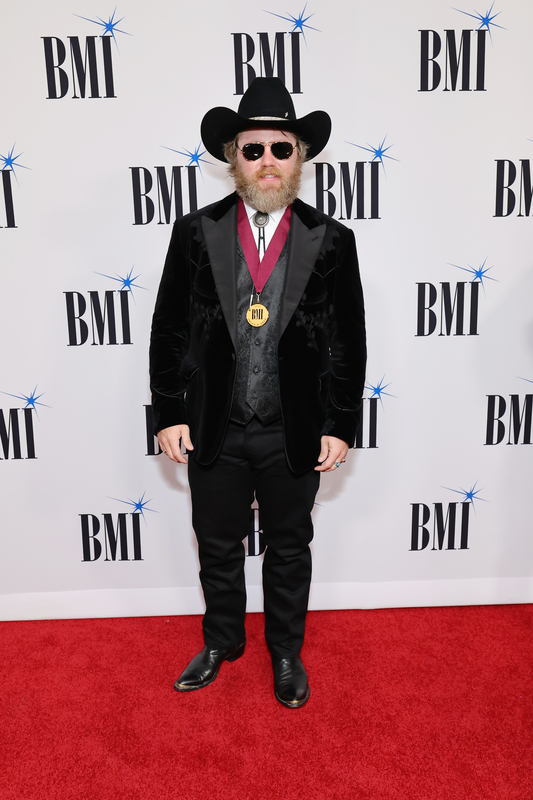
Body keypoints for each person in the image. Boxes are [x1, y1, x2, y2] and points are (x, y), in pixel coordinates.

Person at [149, 77, 366, 708]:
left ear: (300, 156)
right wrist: (168, 412)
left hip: (292, 425)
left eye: (281, 147)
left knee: (290, 547)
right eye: (253, 149)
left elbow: (347, 339)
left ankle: (285, 651)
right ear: (232, 157)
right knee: (215, 543)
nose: (267, 160)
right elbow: (169, 327)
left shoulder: (333, 239)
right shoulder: (195, 232)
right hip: (213, 421)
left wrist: (340, 422)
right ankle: (221, 642)